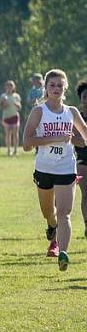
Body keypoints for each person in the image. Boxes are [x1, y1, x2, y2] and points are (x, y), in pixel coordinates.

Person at [22, 69, 87, 268]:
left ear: (65, 88)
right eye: (52, 85)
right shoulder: (39, 111)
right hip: (44, 169)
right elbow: (26, 143)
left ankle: (63, 253)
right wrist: (54, 138)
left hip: (66, 168)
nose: (56, 89)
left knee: (65, 213)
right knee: (48, 212)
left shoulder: (72, 112)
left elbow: (84, 140)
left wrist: (72, 138)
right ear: (46, 88)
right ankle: (51, 226)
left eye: (60, 85)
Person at [74, 80, 87, 241]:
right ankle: (86, 224)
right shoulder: (77, 117)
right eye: (84, 96)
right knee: (86, 195)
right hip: (83, 160)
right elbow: (75, 139)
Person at [0, 80, 22, 156]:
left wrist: (16, 104)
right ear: (5, 87)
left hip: (15, 116)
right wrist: (5, 104)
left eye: (11, 85)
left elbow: (19, 107)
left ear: (13, 87)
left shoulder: (16, 96)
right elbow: (1, 107)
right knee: (8, 134)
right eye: (8, 85)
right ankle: (9, 150)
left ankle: (15, 150)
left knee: (15, 134)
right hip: (6, 117)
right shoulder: (3, 96)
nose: (9, 87)